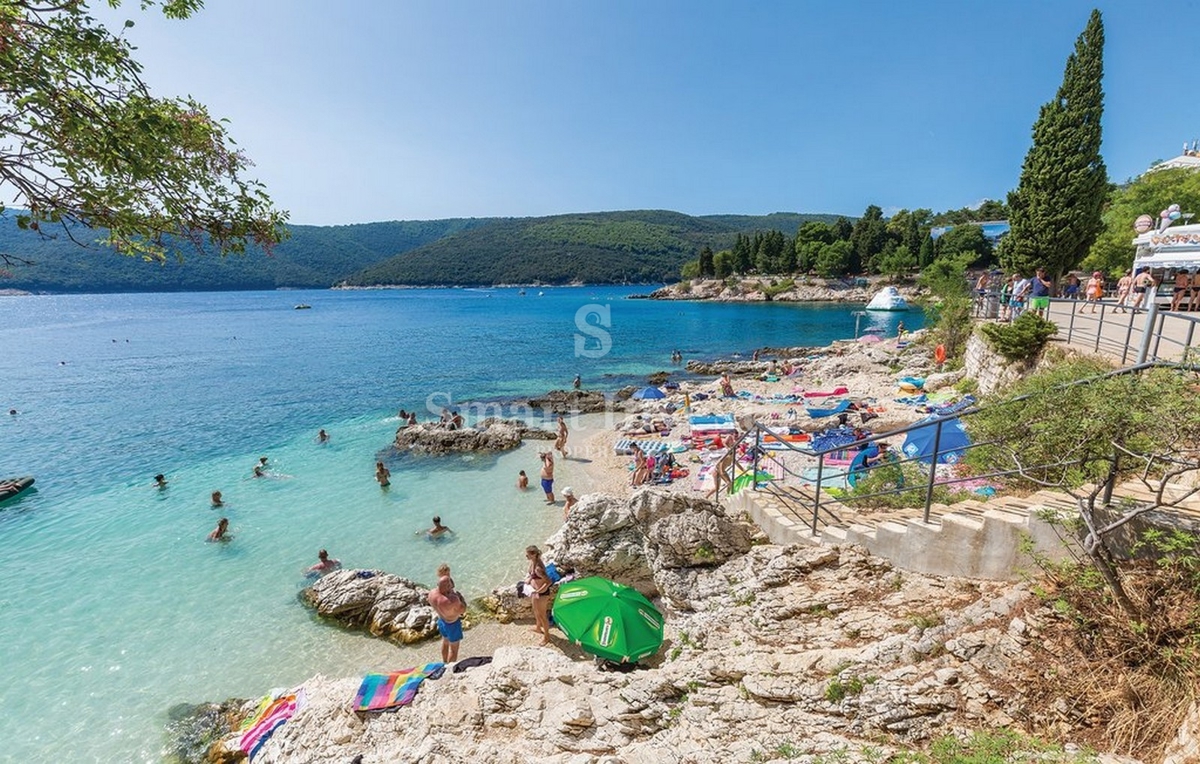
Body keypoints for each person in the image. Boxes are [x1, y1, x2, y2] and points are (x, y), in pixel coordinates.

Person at [427, 575, 467, 662]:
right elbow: (462, 610)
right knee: (454, 650)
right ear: (447, 586)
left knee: (445, 642)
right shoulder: (452, 600)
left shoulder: (431, 594)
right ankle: (450, 669)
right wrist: (461, 598)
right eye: (450, 585)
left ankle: (444, 662)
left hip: (442, 621)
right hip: (452, 624)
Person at [525, 545, 553, 646]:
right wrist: (529, 580)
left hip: (541, 594)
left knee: (542, 616)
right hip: (534, 591)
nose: (526, 556)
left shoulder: (538, 568)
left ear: (534, 554)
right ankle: (538, 628)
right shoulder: (533, 562)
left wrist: (539, 591)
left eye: (527, 554)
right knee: (536, 611)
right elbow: (533, 574)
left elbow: (549, 582)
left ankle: (547, 637)